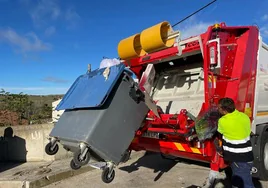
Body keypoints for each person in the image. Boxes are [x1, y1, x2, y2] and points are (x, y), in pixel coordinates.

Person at [217, 97, 255, 188]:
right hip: (247, 155)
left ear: (224, 110)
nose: (218, 110)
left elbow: (220, 133)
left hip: (238, 158)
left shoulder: (223, 121)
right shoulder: (244, 116)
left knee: (246, 184)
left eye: (219, 108)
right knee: (237, 182)